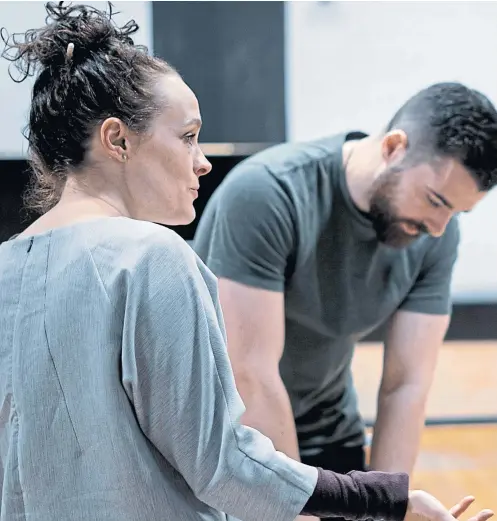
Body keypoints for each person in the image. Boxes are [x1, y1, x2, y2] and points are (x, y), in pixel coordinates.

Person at [0, 4, 493, 521]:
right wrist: (386, 500)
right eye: (188, 136)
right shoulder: (155, 257)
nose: (203, 160)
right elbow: (223, 465)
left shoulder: (9, 266)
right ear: (117, 139)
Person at [193, 81, 497, 521]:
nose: (438, 226)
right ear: (395, 147)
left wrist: (386, 508)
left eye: (455, 212)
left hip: (327, 434)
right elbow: (251, 374)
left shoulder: (436, 233)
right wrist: (298, 511)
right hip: (230, 442)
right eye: (435, 201)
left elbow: (406, 383)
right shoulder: (268, 194)